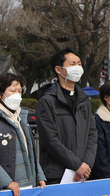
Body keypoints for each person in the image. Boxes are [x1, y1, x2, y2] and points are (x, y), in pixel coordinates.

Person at [0, 72, 46, 196]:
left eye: (20, 91)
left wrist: (39, 176)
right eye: (13, 91)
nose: (17, 95)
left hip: (27, 187)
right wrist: (7, 183)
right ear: (0, 94)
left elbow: (31, 153)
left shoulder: (20, 117)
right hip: (1, 192)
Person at [36, 48, 97, 184]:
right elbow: (50, 140)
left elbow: (92, 134)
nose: (78, 68)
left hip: (83, 174)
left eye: (79, 64)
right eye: (72, 64)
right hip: (57, 174)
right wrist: (76, 165)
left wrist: (86, 164)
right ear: (59, 69)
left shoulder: (84, 99)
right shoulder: (48, 101)